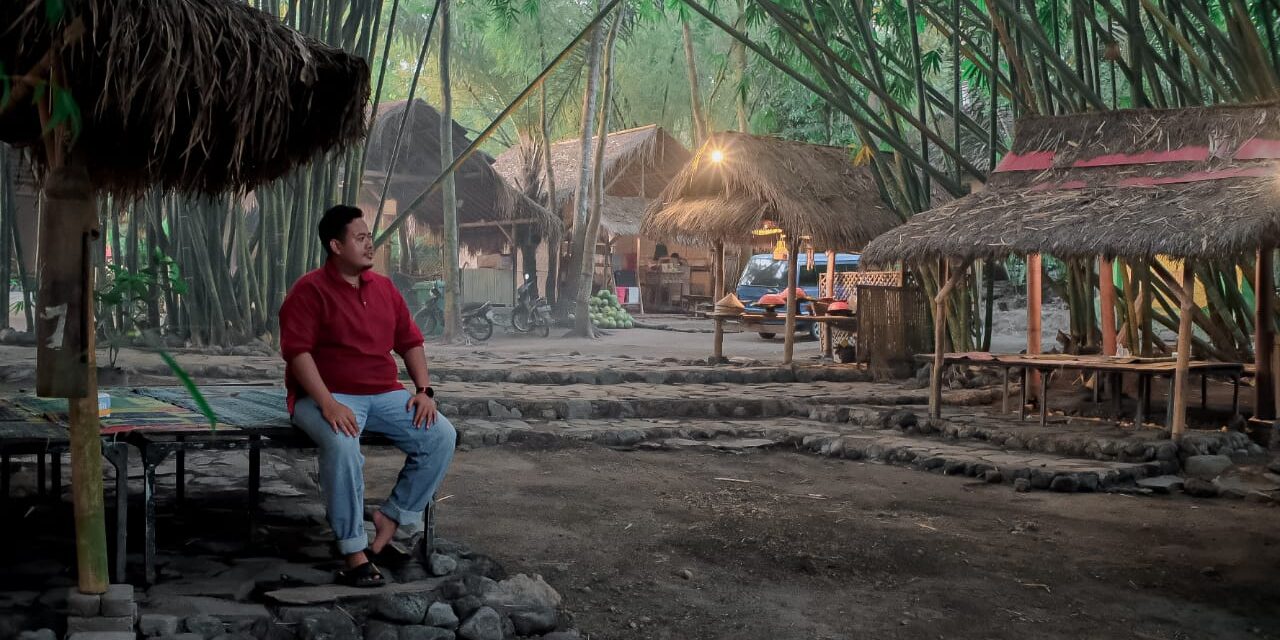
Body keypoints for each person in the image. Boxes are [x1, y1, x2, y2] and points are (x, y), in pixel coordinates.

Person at [279, 205, 456, 588]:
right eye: (359, 238)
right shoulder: (309, 290)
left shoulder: (385, 289)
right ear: (335, 245)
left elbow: (410, 341)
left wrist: (424, 390)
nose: (369, 244)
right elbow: (298, 353)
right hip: (323, 396)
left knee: (441, 435)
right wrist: (328, 403)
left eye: (369, 237)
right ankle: (354, 551)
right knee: (343, 446)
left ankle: (392, 516)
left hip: (384, 394)